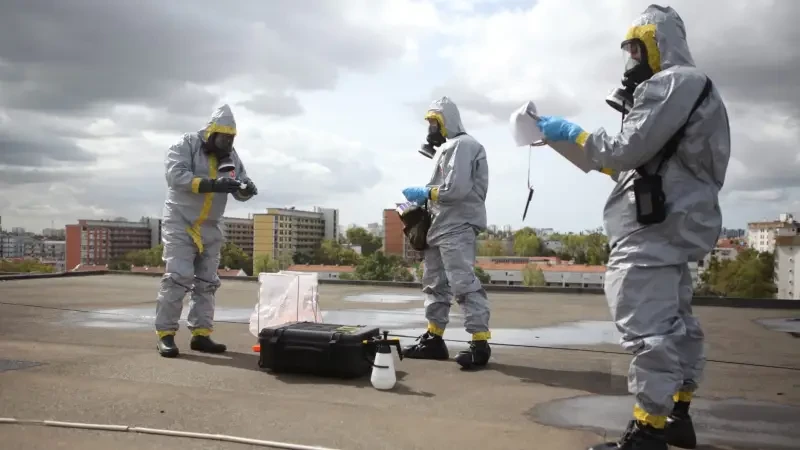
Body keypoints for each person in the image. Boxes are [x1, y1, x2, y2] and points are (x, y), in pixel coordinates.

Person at [534, 5, 730, 450]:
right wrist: (565, 142)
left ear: (659, 44)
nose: (631, 60)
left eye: (638, 49)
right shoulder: (695, 89)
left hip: (653, 230)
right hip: (676, 222)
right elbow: (634, 166)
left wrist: (574, 133)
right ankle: (676, 415)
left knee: (648, 328)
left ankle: (647, 432)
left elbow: (625, 151)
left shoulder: (674, 82)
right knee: (676, 323)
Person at [154, 104, 258, 358]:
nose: (228, 143)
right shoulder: (186, 144)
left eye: (231, 139)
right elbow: (175, 176)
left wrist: (246, 189)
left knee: (207, 283)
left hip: (211, 226)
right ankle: (165, 335)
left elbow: (239, 185)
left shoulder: (231, 156)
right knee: (178, 277)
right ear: (211, 133)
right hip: (181, 222)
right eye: (224, 138)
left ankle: (201, 334)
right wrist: (211, 184)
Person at [400, 96, 492, 370]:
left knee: (462, 282)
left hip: (457, 226)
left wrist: (425, 193)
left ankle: (480, 343)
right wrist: (417, 204)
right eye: (429, 122)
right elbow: (442, 190)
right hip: (439, 226)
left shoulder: (464, 145)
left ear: (446, 120)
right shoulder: (449, 148)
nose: (430, 128)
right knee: (434, 283)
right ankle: (434, 338)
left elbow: (455, 190)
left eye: (434, 122)